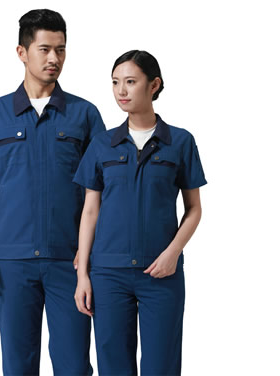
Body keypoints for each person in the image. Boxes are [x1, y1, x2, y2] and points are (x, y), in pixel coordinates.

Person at [0, 9, 105, 375]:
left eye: (61, 49)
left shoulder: (84, 115)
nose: (54, 58)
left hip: (71, 260)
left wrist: (92, 253)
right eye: (44, 49)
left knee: (74, 365)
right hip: (12, 261)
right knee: (18, 365)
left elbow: (103, 190)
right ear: (22, 53)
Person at [73, 50, 207, 375]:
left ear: (154, 85)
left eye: (131, 82)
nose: (121, 91)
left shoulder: (180, 142)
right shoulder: (102, 144)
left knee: (161, 367)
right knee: (113, 367)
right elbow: (90, 210)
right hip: (109, 273)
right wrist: (82, 275)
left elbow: (194, 209)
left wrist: (173, 253)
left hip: (161, 273)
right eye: (115, 82)